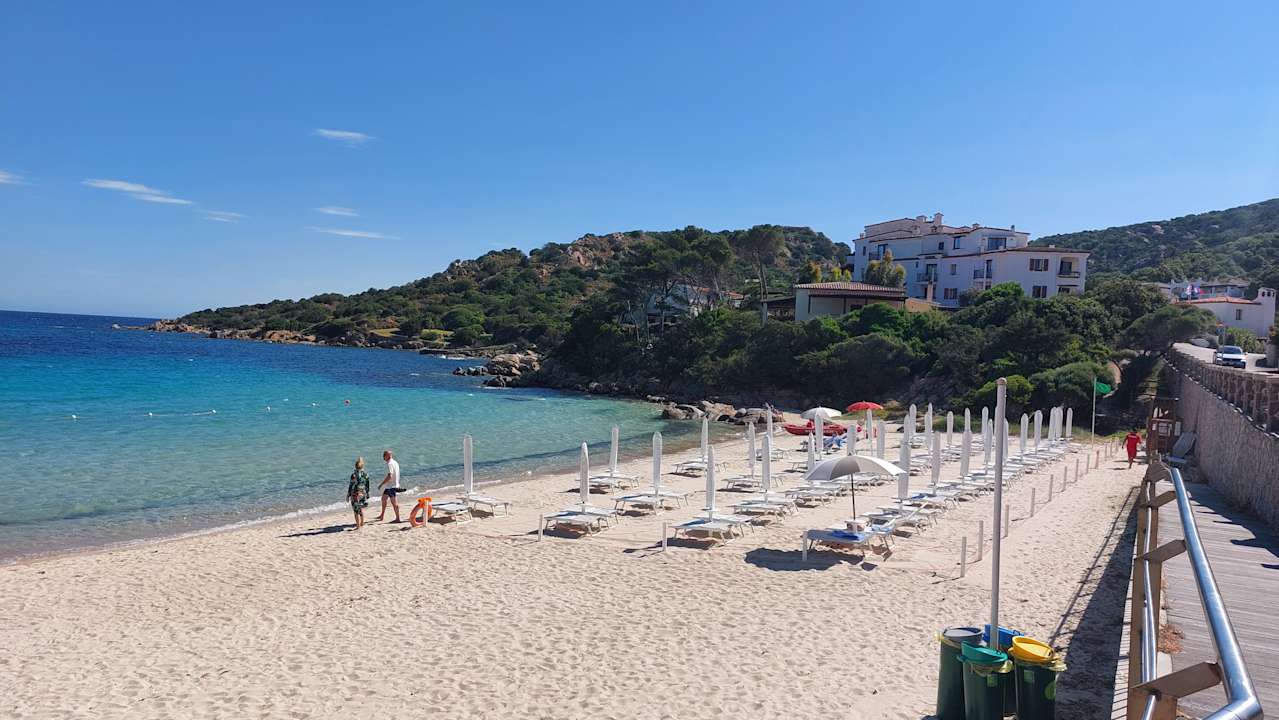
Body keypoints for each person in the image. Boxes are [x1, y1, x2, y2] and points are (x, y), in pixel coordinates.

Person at [376, 449, 402, 522]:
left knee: (394, 503)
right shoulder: (395, 462)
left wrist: (381, 484)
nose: (383, 458)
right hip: (391, 485)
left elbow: (390, 476)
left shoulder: (390, 464)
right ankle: (382, 515)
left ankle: (398, 518)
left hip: (391, 486)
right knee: (383, 499)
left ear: (386, 456)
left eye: (384, 456)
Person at [347, 457, 371, 530]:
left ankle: (358, 526)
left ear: (355, 466)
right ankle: (362, 522)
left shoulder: (353, 475)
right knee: (360, 508)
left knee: (356, 511)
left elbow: (351, 485)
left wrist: (348, 495)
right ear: (362, 466)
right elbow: (367, 485)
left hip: (355, 494)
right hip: (362, 494)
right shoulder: (366, 474)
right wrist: (367, 494)